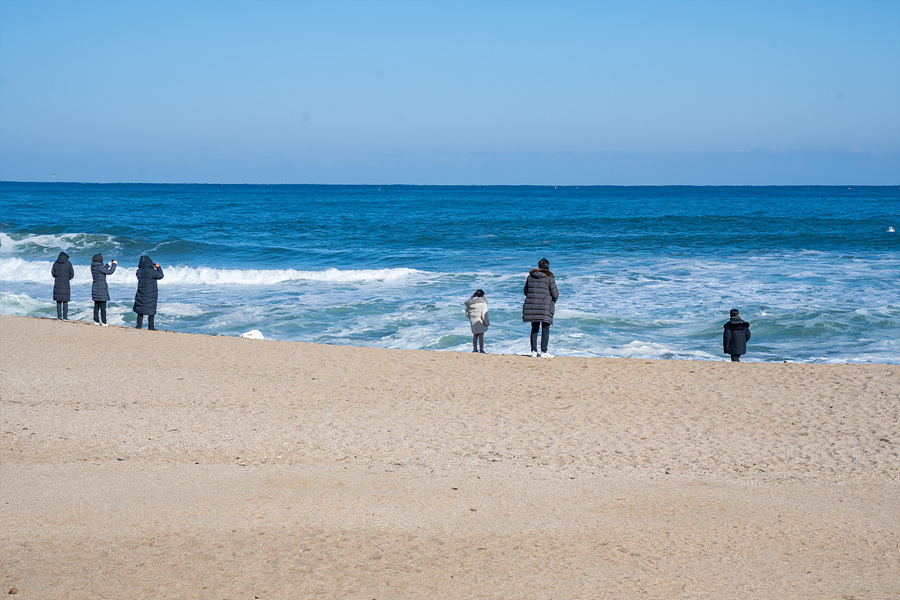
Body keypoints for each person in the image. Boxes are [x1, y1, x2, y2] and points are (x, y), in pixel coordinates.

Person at [522, 257, 559, 358]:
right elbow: (555, 293)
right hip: (545, 306)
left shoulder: (530, 277)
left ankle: (533, 351)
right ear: (547, 267)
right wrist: (551, 302)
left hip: (532, 305)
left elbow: (525, 291)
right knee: (545, 329)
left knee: (534, 329)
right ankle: (544, 352)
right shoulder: (549, 278)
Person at [133, 255, 164, 330]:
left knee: (140, 309)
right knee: (151, 310)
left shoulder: (138, 272)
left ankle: (139, 325)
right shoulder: (153, 271)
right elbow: (160, 275)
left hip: (141, 291)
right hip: (151, 293)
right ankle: (151, 327)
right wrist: (158, 267)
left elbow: (145, 270)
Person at [90, 253, 117, 326]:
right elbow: (110, 272)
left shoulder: (93, 266)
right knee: (103, 307)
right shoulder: (100, 267)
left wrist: (109, 264)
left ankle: (96, 321)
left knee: (96, 306)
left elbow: (103, 269)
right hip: (101, 289)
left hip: (95, 288)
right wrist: (114, 264)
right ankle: (104, 322)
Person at [464, 289, 491, 353]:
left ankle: (475, 350)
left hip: (473, 321)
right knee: (481, 335)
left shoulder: (469, 303)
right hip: (480, 321)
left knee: (475, 335)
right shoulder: (482, 303)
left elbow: (467, 313)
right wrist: (487, 323)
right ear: (482, 295)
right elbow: (484, 314)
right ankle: (481, 350)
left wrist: (471, 318)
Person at [50, 251, 75, 321]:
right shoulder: (69, 264)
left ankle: (59, 317)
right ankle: (65, 317)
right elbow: (72, 274)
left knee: (58, 301)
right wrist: (67, 278)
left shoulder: (55, 263)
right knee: (65, 301)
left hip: (57, 283)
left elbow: (53, 274)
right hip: (66, 283)